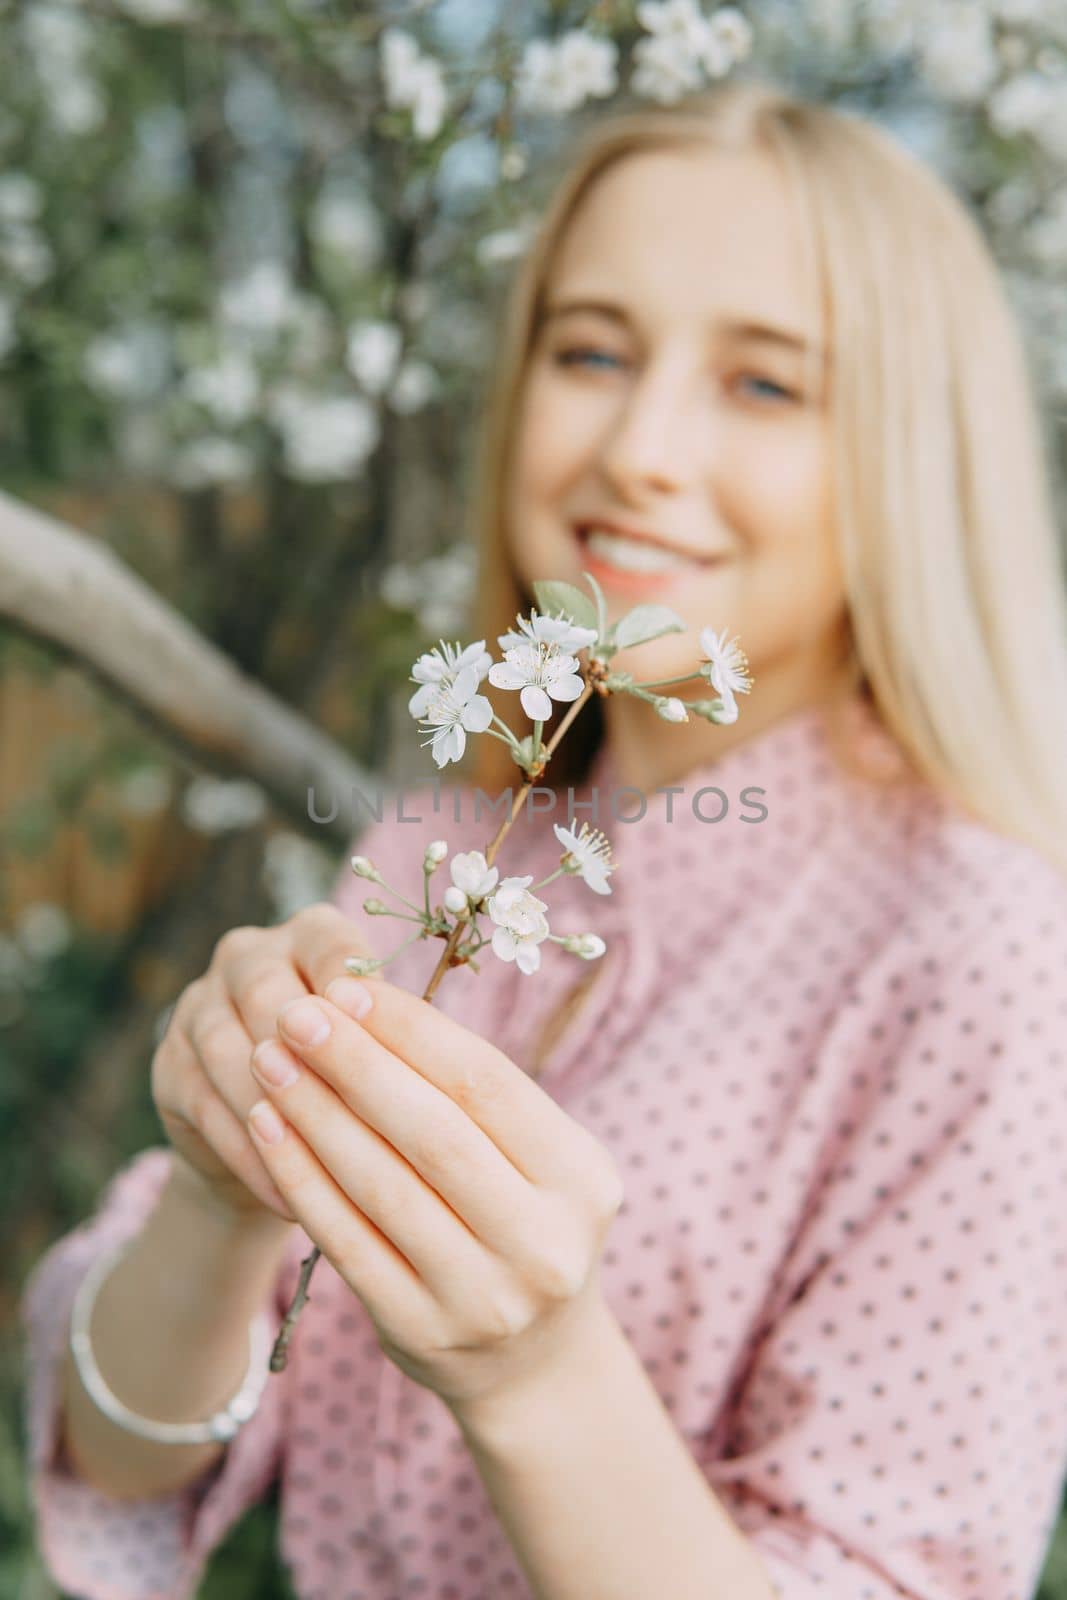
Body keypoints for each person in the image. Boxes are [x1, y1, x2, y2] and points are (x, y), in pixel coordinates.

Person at [19, 75, 1067, 1600]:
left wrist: (537, 1379)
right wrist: (216, 1195)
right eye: (590, 351)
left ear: (907, 464)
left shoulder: (990, 957)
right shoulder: (444, 852)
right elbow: (123, 1458)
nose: (637, 448)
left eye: (765, 384)